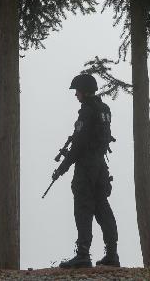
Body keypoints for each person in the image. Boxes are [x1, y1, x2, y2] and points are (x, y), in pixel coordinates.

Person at [52, 73, 118, 268]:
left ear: (84, 91)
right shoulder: (104, 109)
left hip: (87, 167)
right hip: (100, 166)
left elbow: (78, 145)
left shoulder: (87, 111)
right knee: (102, 207)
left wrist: (62, 168)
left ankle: (82, 254)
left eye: (77, 91)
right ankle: (112, 254)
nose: (76, 95)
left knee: (83, 208)